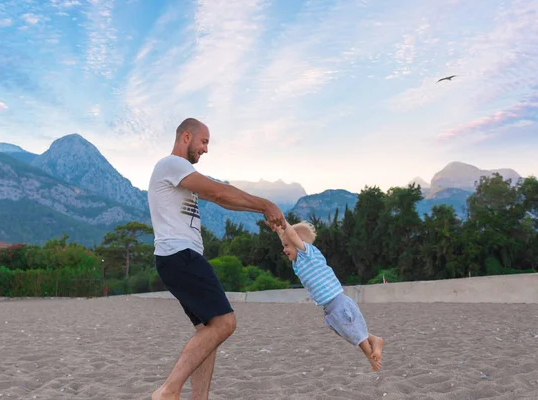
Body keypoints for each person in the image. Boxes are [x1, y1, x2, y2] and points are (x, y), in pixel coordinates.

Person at [147, 117, 286, 400]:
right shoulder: (172, 164)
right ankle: (168, 391)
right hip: (180, 255)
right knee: (225, 323)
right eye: (204, 142)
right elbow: (219, 190)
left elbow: (222, 200)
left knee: (207, 331)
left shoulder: (178, 173)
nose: (206, 150)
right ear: (186, 137)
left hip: (176, 258)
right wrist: (266, 204)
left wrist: (258, 211)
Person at [271, 219, 385, 371]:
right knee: (346, 331)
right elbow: (287, 237)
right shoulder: (298, 261)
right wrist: (279, 230)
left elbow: (290, 235)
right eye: (283, 246)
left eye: (286, 245)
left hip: (336, 301)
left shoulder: (307, 253)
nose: (284, 249)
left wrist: (283, 222)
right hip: (328, 306)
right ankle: (374, 339)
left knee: (351, 330)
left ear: (298, 241)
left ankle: (370, 355)